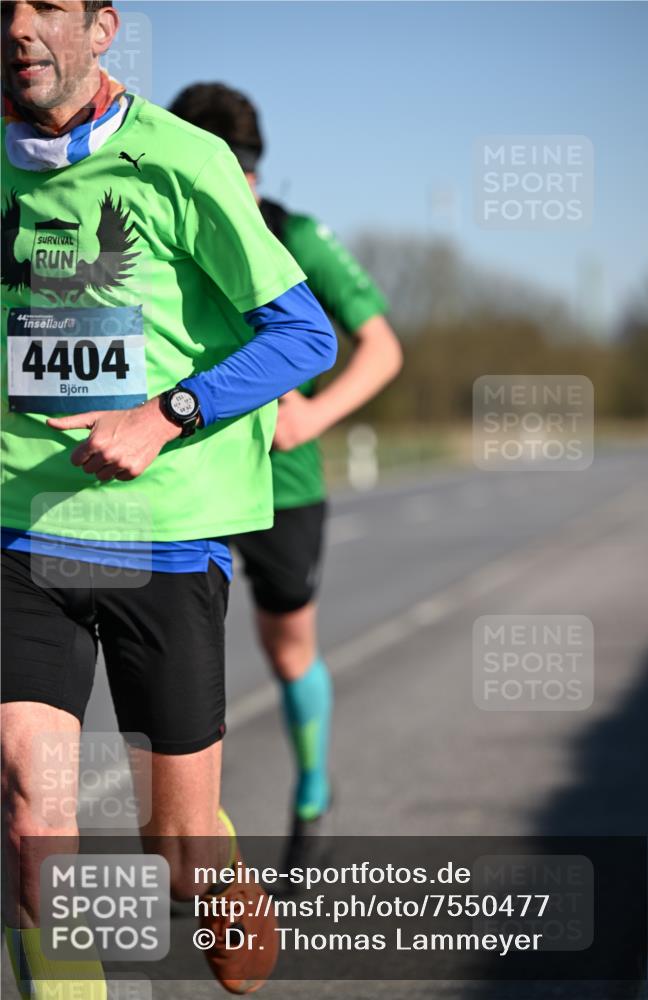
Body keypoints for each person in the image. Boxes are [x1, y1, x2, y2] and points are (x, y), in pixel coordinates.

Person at [1, 2, 338, 997]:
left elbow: (303, 336)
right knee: (31, 816)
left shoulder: (181, 160)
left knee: (178, 848)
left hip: (162, 535)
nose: (20, 27)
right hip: (22, 526)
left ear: (102, 28)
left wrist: (166, 413)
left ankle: (212, 872)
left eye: (48, 8)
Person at [169, 83, 403, 873]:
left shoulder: (296, 236)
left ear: (251, 172)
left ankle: (310, 798)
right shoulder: (161, 226)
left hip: (282, 483)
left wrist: (310, 417)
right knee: (170, 658)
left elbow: (380, 346)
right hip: (183, 478)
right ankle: (197, 837)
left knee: (286, 649)